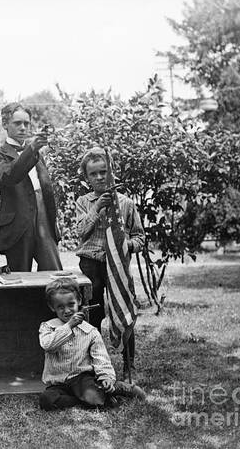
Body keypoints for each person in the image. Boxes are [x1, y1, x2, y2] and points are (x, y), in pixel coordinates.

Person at [75, 147, 145, 378]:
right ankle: (95, 364)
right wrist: (97, 208)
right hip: (91, 264)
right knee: (93, 314)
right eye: (93, 174)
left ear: (111, 172)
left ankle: (128, 365)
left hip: (118, 266)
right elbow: (81, 231)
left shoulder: (125, 203)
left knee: (124, 310)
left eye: (103, 172)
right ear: (86, 178)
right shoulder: (84, 202)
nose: (99, 177)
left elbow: (140, 237)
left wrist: (127, 246)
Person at [38, 278, 146, 411]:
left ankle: (115, 388)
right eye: (60, 307)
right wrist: (69, 326)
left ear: (79, 301)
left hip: (81, 379)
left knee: (92, 396)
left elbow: (101, 359)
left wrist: (106, 377)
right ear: (52, 307)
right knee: (46, 400)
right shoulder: (48, 327)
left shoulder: (90, 332)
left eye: (71, 304)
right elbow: (48, 345)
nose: (67, 310)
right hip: (58, 382)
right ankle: (92, 399)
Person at [0, 103, 62, 272]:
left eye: (26, 123)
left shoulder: (36, 154)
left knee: (54, 274)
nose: (23, 127)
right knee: (19, 279)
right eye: (17, 123)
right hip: (17, 226)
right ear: (5, 124)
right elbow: (9, 178)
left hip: (44, 220)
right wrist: (31, 149)